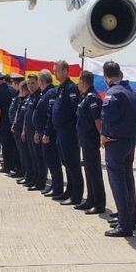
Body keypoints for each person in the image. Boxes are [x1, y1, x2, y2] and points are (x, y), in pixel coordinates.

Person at [101, 61, 136, 237]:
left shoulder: (113, 93)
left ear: (106, 77)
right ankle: (129, 219)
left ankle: (124, 226)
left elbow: (107, 117)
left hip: (116, 142)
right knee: (128, 181)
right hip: (131, 141)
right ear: (121, 74)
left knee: (118, 184)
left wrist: (104, 135)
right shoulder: (134, 93)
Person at [48, 61, 83, 206]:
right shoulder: (60, 88)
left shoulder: (71, 88)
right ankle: (69, 191)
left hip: (69, 133)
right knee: (66, 163)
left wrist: (69, 128)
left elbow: (75, 112)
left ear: (65, 71)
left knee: (73, 164)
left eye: (56, 71)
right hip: (60, 132)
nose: (54, 73)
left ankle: (76, 195)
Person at [76, 70, 106, 213]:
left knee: (94, 172)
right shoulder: (85, 97)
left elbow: (98, 121)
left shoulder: (92, 97)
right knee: (88, 171)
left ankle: (99, 203)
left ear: (83, 81)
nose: (77, 83)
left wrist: (101, 136)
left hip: (91, 141)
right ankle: (90, 199)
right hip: (85, 140)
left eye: (79, 80)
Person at [34, 71, 63, 194]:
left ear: (41, 81)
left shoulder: (50, 93)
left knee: (53, 162)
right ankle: (54, 187)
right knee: (50, 161)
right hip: (44, 133)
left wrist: (46, 132)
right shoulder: (45, 93)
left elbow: (50, 115)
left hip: (50, 135)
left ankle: (57, 188)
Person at [19, 74, 45, 189]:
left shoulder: (40, 96)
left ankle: (40, 182)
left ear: (38, 83)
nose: (30, 86)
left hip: (35, 132)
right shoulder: (30, 97)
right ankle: (33, 179)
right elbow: (27, 115)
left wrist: (37, 132)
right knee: (31, 157)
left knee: (38, 158)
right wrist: (24, 130)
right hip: (28, 131)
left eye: (33, 83)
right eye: (28, 83)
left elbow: (40, 117)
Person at [0, 73, 15, 173]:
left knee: (5, 145)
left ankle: (7, 166)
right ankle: (14, 165)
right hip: (13, 121)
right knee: (13, 145)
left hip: (3, 122)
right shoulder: (12, 90)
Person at [11, 80, 29, 180]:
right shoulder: (21, 99)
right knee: (21, 153)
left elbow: (23, 117)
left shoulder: (26, 100)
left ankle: (25, 172)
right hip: (17, 129)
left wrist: (16, 125)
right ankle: (23, 171)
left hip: (21, 130)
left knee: (24, 153)